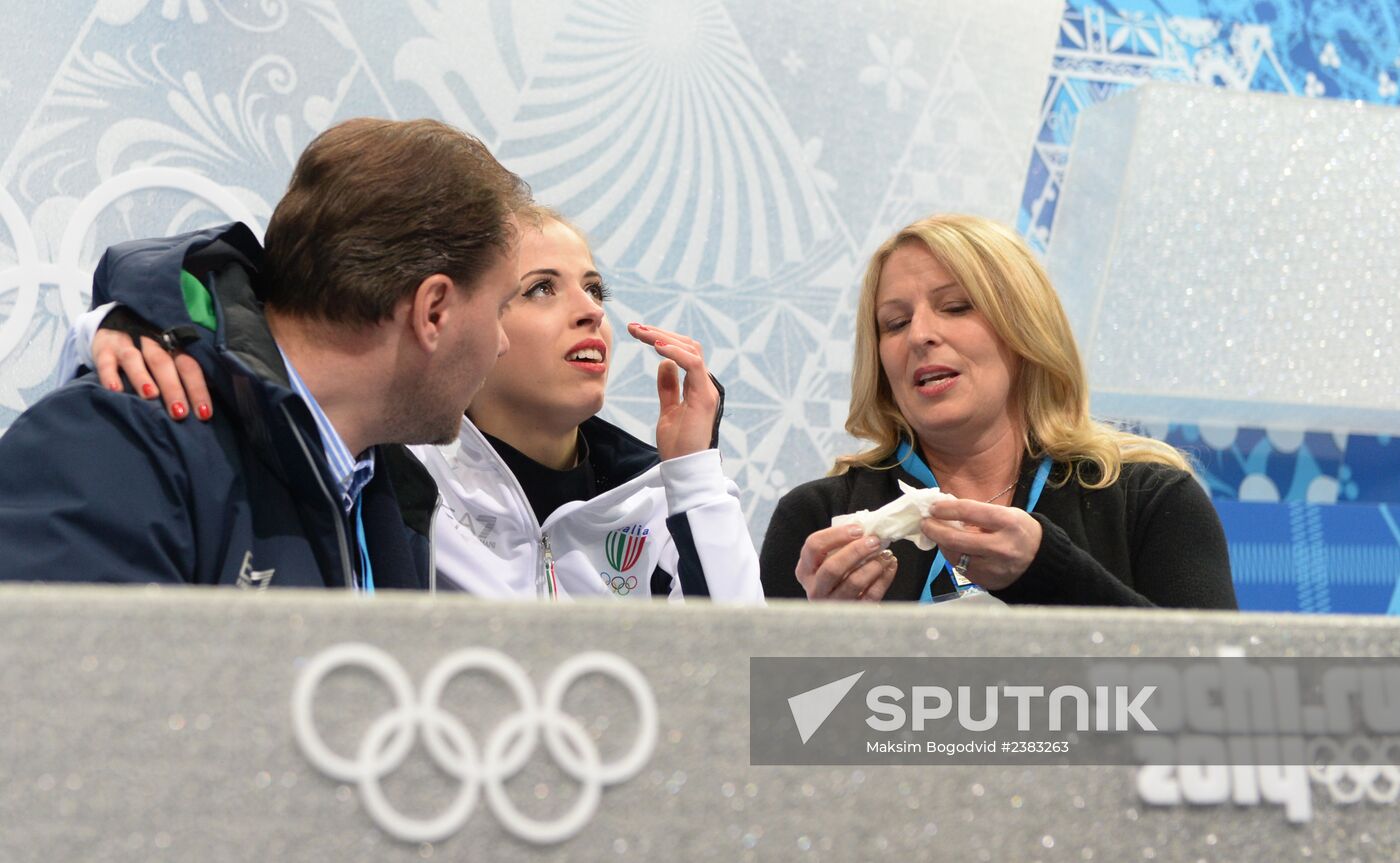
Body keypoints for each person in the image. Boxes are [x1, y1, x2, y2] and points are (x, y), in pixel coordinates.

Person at [74, 206, 764, 602]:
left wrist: (696, 474)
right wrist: (129, 314)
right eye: (541, 289)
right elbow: (275, 309)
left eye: (595, 289)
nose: (589, 313)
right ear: (467, 322)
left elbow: (756, 699)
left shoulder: (660, 494)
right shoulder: (395, 474)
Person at [0, 117, 530, 589]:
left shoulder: (393, 501)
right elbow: (45, 687)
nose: (502, 344)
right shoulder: (118, 444)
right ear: (433, 310)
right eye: (501, 307)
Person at [759, 214, 1237, 608]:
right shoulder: (819, 519)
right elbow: (774, 717)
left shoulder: (1148, 499)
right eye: (895, 322)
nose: (920, 334)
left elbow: (1219, 700)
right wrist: (827, 644)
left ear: (1023, 328)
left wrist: (1049, 573)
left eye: (956, 307)